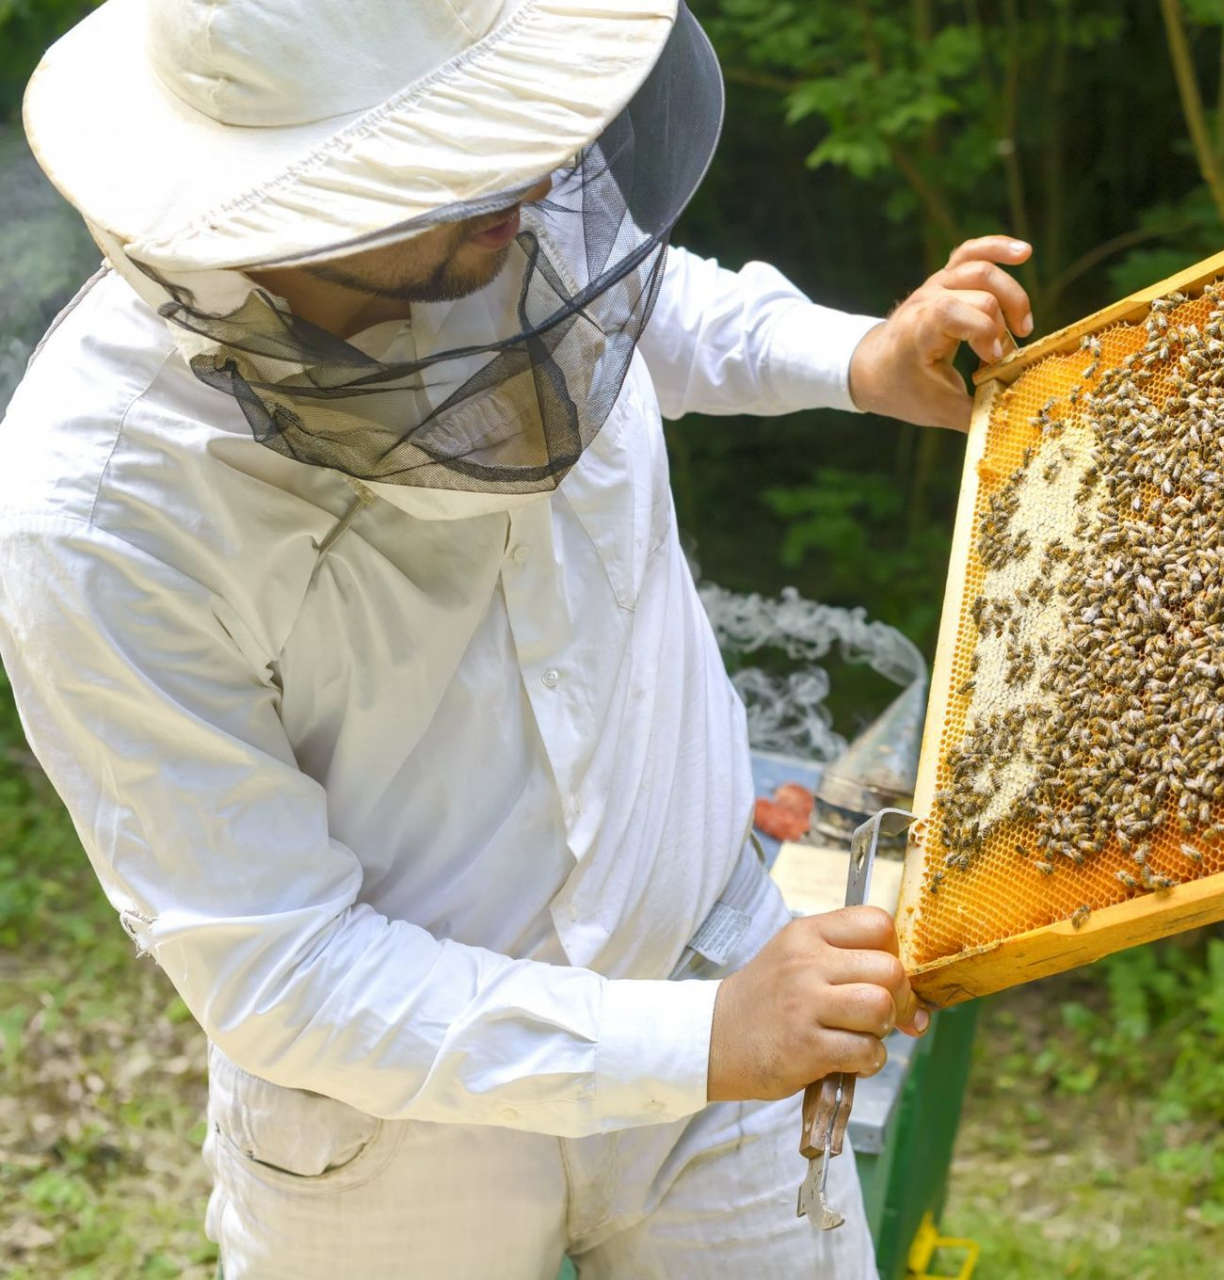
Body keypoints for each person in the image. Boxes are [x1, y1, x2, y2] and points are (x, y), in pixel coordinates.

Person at [0, 1, 1034, 1276]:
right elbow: (281, 964)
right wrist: (708, 1037)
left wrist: (857, 355)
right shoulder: (98, 512)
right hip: (397, 1141)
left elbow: (634, 296)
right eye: (458, 161)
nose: (543, 179)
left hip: (712, 969)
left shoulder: (495, 205)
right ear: (295, 204)